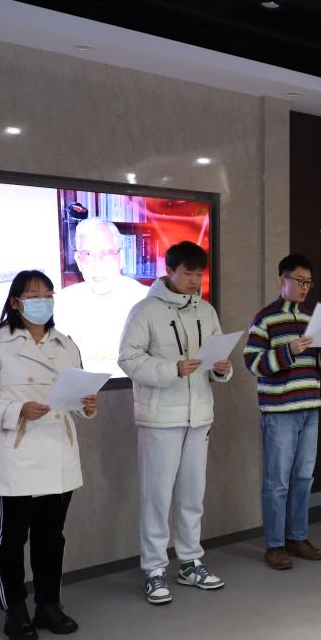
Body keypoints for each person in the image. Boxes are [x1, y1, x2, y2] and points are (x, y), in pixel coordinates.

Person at [0, 270, 98, 640]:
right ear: (15, 302)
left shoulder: (66, 344)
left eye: (48, 294)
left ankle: (48, 605)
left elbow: (76, 396)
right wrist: (17, 410)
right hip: (16, 457)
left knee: (51, 537)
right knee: (10, 538)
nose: (43, 301)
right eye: (33, 295)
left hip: (57, 454)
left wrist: (87, 405)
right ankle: (15, 610)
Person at [119, 241, 233, 604]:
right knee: (157, 496)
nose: (194, 280)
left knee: (192, 494)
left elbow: (215, 358)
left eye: (199, 274)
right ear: (169, 271)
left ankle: (189, 562)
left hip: (199, 415)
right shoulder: (145, 310)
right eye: (188, 273)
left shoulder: (206, 311)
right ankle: (154, 568)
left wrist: (221, 369)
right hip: (160, 418)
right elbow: (128, 359)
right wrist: (171, 369)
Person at [244, 254, 321, 570]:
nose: (305, 287)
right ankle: (274, 545)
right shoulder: (265, 319)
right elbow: (252, 363)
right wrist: (288, 351)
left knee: (303, 478)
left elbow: (318, 365)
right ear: (282, 280)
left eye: (308, 282)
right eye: (299, 281)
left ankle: (297, 537)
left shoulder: (312, 318)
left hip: (310, 407)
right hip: (280, 410)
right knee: (277, 481)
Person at [54, 218, 149, 376]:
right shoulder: (62, 303)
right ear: (78, 261)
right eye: (88, 254)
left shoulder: (146, 300)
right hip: (82, 390)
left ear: (121, 257)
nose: (97, 265)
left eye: (106, 253)